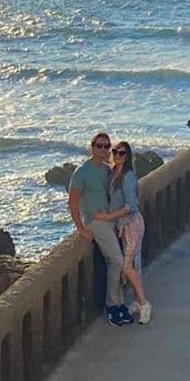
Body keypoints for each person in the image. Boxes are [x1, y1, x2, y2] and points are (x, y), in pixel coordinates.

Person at [68, 132, 134, 326]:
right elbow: (72, 202)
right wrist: (81, 228)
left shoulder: (107, 170)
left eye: (107, 146)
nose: (103, 149)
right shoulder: (82, 172)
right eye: (99, 146)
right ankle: (112, 305)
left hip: (110, 220)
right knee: (117, 261)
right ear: (92, 147)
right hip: (95, 222)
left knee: (120, 262)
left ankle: (120, 303)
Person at [93, 141, 151, 324]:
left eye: (122, 153)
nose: (117, 155)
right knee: (131, 266)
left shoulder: (128, 177)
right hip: (122, 227)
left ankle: (144, 304)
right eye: (115, 152)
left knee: (126, 267)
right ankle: (137, 302)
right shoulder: (112, 173)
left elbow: (130, 206)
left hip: (132, 225)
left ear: (128, 156)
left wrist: (107, 217)